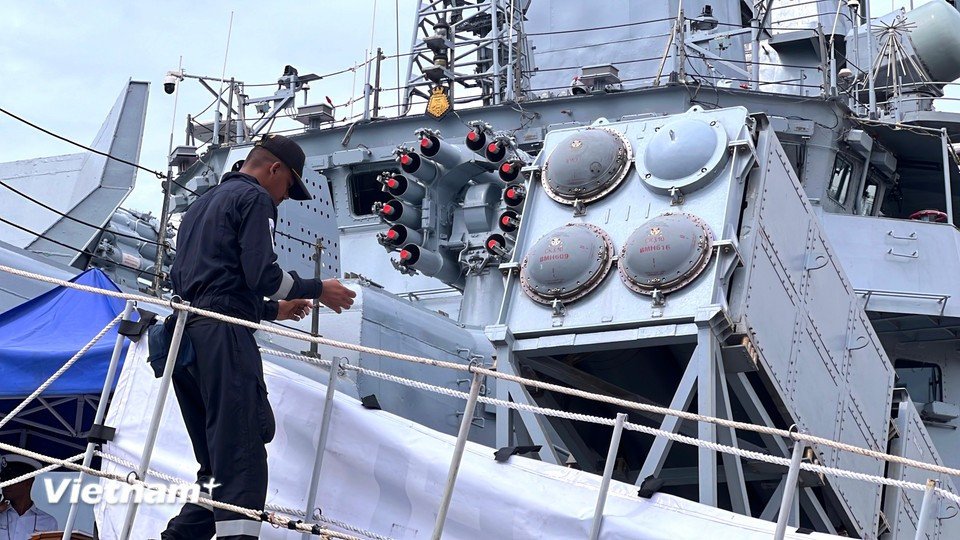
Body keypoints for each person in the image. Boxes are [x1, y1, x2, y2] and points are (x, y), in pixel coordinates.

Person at [161, 134, 356, 540]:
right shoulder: (256, 200)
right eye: (289, 188)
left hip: (184, 339)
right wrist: (320, 288)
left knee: (216, 463)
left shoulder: (200, 205)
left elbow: (213, 285)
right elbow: (262, 275)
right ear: (274, 170)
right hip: (223, 340)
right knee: (244, 452)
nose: (285, 198)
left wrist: (272, 311)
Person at [0, 455, 58, 540]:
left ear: (27, 482)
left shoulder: (48, 522)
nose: (4, 485)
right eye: (3, 480)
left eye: (10, 479)